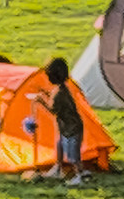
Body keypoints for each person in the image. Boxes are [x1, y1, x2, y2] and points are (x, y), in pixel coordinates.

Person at [34, 57, 87, 186]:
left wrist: (41, 101)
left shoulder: (59, 93)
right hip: (67, 127)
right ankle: (57, 168)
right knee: (59, 146)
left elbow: (53, 109)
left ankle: (80, 176)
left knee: (73, 155)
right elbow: (56, 103)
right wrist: (46, 94)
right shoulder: (60, 89)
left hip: (72, 129)